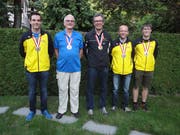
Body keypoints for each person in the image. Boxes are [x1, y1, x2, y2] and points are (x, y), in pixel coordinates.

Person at [19, 12, 54, 121]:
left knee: (43, 90)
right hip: (31, 69)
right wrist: (30, 61)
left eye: (38, 20)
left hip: (44, 68)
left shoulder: (46, 35)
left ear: (41, 22)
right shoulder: (25, 36)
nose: (36, 22)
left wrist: (44, 60)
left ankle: (44, 110)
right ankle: (32, 111)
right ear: (30, 21)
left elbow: (51, 51)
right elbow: (22, 52)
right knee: (32, 91)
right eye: (34, 20)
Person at [54, 14, 83, 119]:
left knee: (75, 90)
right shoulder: (58, 36)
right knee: (62, 89)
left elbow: (81, 50)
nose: (70, 22)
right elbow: (56, 50)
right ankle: (61, 110)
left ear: (74, 23)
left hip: (75, 68)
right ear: (64, 23)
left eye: (72, 21)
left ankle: (75, 110)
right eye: (68, 21)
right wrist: (61, 59)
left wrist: (75, 59)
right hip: (62, 68)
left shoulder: (79, 36)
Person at [84, 13, 112, 115]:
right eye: (96, 21)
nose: (98, 23)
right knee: (90, 87)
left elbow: (110, 51)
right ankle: (90, 107)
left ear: (103, 22)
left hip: (104, 66)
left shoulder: (108, 36)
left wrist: (105, 60)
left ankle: (102, 106)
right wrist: (91, 60)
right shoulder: (88, 35)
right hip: (92, 67)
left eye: (100, 21)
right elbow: (86, 51)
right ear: (93, 23)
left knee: (104, 87)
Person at [132, 23, 158, 111]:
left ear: (151, 30)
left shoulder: (154, 42)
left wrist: (151, 62)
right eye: (145, 29)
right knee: (136, 86)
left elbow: (155, 54)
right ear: (142, 31)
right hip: (138, 67)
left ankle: (143, 103)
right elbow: (133, 54)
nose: (146, 31)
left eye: (148, 29)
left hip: (149, 68)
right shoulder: (136, 42)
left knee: (145, 87)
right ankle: (135, 104)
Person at [110, 25, 133, 112]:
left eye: (125, 31)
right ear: (118, 32)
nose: (123, 32)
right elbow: (110, 56)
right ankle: (114, 105)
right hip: (116, 70)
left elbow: (134, 55)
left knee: (126, 90)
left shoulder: (131, 43)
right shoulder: (113, 42)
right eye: (121, 31)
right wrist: (113, 65)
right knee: (115, 89)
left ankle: (125, 106)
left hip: (128, 70)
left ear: (127, 32)